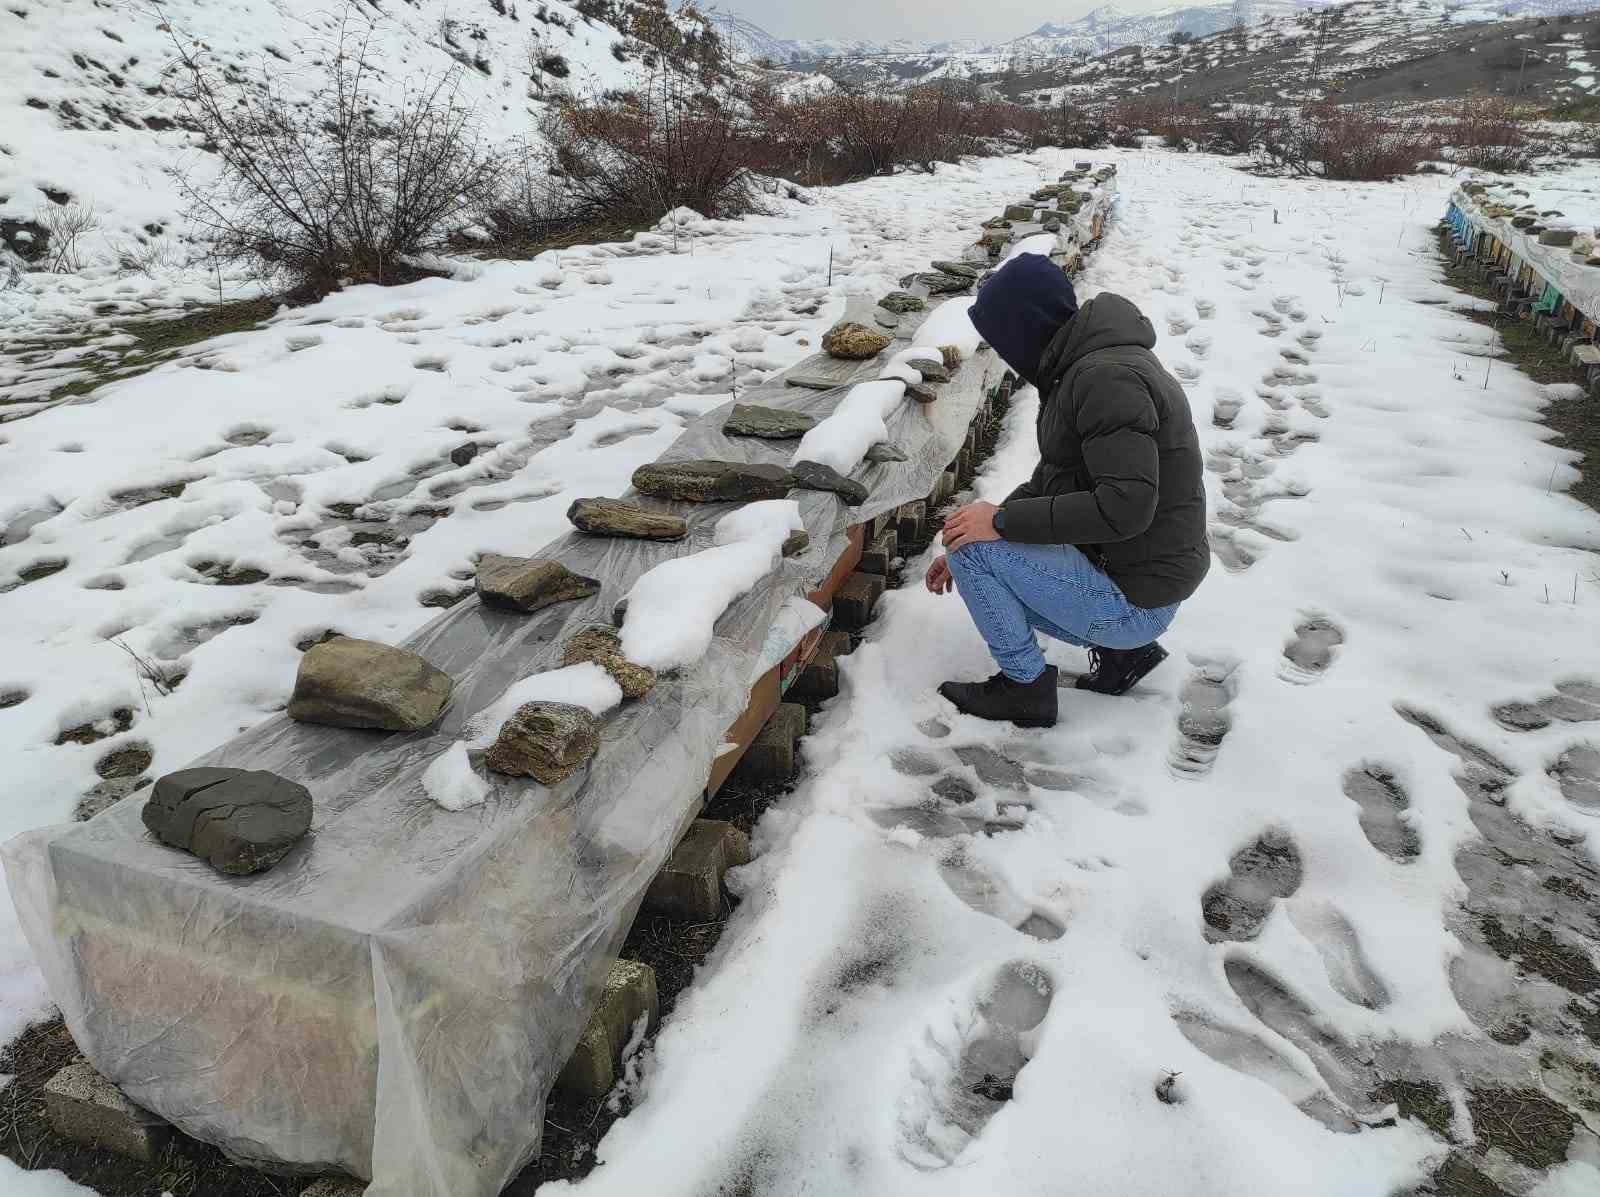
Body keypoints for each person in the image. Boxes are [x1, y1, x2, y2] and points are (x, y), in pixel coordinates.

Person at [926, 253, 1209, 728]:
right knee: (976, 542)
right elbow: (1055, 480)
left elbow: (1125, 508)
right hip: (1146, 577)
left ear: (1023, 326)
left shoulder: (1104, 379)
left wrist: (994, 526)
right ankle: (1125, 657)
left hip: (1137, 599)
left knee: (973, 557)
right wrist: (975, 528)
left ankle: (1025, 691)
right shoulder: (1089, 366)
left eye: (1000, 338)